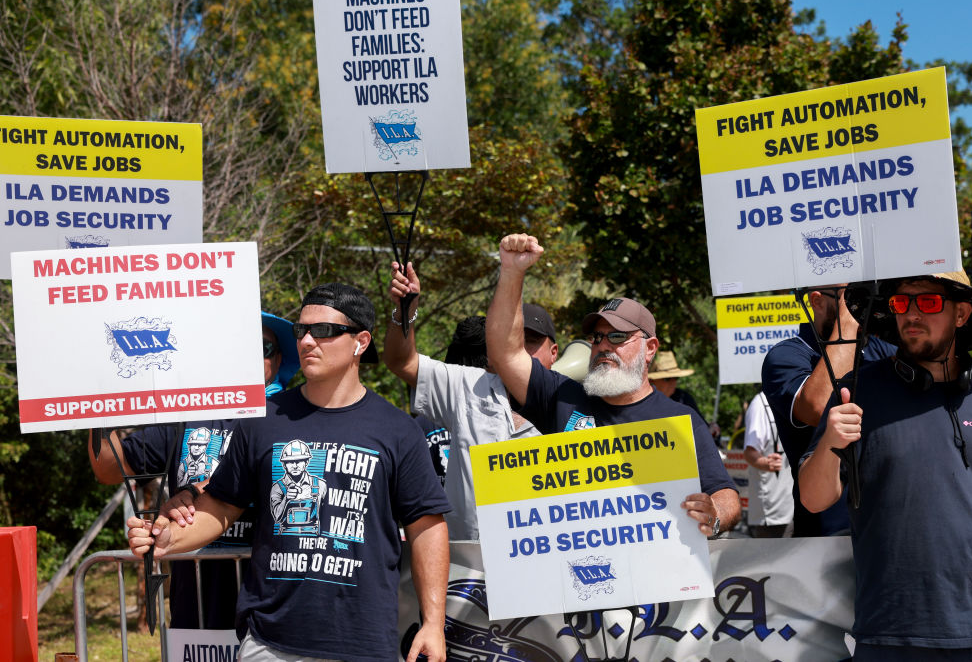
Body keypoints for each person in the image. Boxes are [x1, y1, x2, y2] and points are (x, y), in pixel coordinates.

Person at [128, 283, 451, 662]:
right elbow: (219, 507)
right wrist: (165, 537)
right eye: (302, 330)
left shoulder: (397, 429)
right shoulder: (264, 419)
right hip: (269, 642)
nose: (308, 340)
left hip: (362, 641)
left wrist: (433, 623)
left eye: (325, 331)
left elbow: (426, 526)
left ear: (360, 342)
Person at [800, 270, 972, 659]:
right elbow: (813, 499)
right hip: (893, 633)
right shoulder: (857, 391)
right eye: (902, 303)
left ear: (961, 314)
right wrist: (830, 444)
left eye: (929, 302)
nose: (912, 314)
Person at [486, 233, 740, 536]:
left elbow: (726, 496)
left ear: (650, 348)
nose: (603, 345)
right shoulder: (562, 397)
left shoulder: (680, 421)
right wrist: (513, 272)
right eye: (597, 337)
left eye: (617, 336)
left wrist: (715, 514)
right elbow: (505, 353)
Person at [89, 311, 299, 629]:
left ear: (279, 359)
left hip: (270, 610)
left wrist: (197, 491)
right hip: (195, 613)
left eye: (264, 348)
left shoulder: (294, 417)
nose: (251, 354)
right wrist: (94, 403)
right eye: (240, 344)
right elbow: (109, 468)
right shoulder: (189, 415)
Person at [383, 260, 558, 540]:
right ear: (492, 350)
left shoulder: (575, 402)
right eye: (509, 341)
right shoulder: (466, 385)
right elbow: (400, 361)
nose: (519, 352)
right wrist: (406, 310)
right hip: (468, 571)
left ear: (554, 353)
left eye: (531, 341)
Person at [761, 284, 894, 537]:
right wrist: (848, 318)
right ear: (818, 302)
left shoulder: (880, 349)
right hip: (825, 531)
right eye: (851, 294)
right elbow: (820, 407)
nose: (864, 302)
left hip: (886, 524)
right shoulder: (787, 355)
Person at [742, 391, 793, 538]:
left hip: (797, 503)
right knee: (773, 557)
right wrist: (765, 463)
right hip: (773, 510)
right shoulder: (760, 404)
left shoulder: (793, 399)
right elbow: (750, 452)